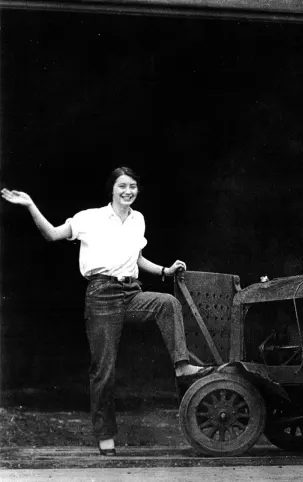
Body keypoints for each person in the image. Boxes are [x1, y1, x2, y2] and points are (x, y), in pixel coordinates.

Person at [1, 166, 213, 456]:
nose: (128, 191)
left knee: (167, 303)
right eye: (122, 186)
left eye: (133, 187)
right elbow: (51, 234)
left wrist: (165, 270)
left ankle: (181, 366)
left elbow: (137, 258)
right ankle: (105, 436)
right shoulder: (90, 218)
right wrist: (30, 205)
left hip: (131, 292)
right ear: (112, 189)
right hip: (102, 295)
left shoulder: (138, 219)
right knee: (104, 370)